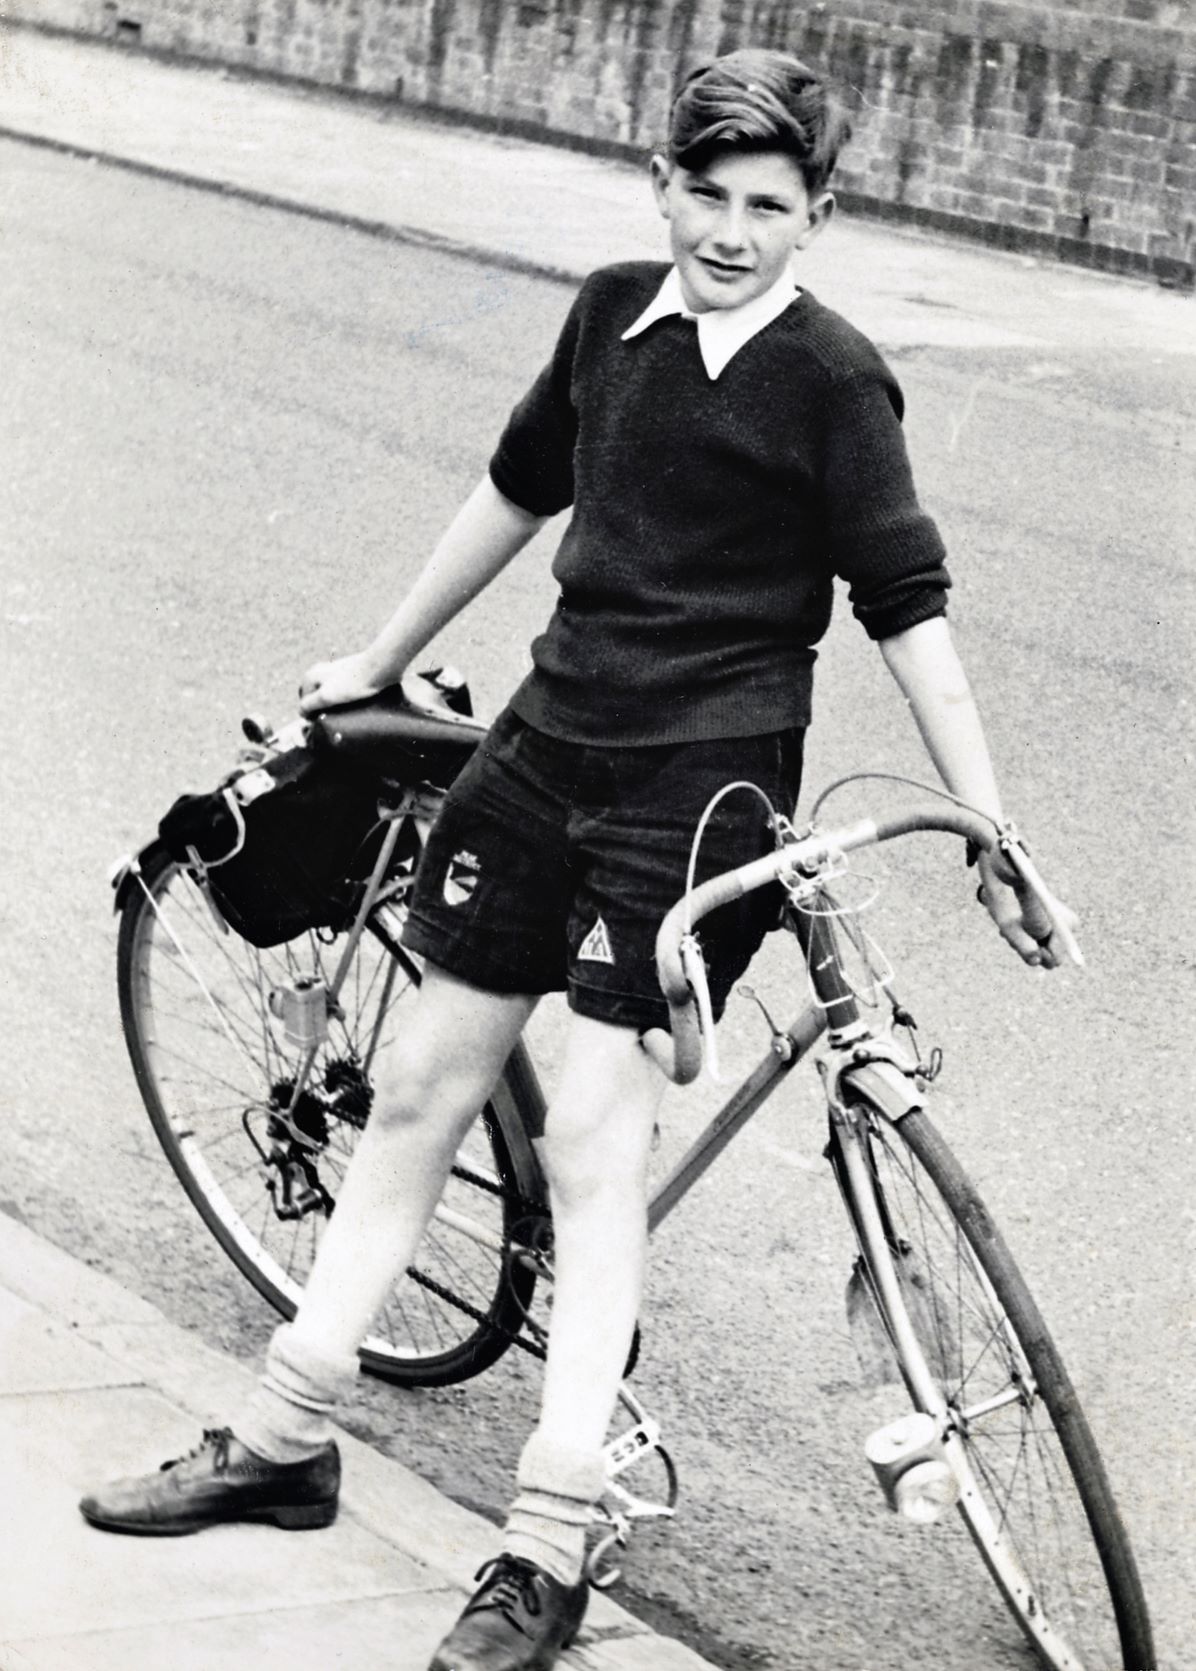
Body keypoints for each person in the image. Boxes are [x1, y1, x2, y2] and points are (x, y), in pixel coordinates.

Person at [79, 48, 1074, 1671]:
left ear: (821, 215)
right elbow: (514, 494)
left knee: (600, 1132)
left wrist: (996, 833)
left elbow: (910, 617)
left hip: (700, 789)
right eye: (708, 194)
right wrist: (381, 653)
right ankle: (286, 1435)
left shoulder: (837, 381)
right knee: (419, 1082)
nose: (732, 232)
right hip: (544, 747)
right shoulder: (611, 315)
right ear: (662, 185)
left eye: (770, 207)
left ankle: (549, 1542)